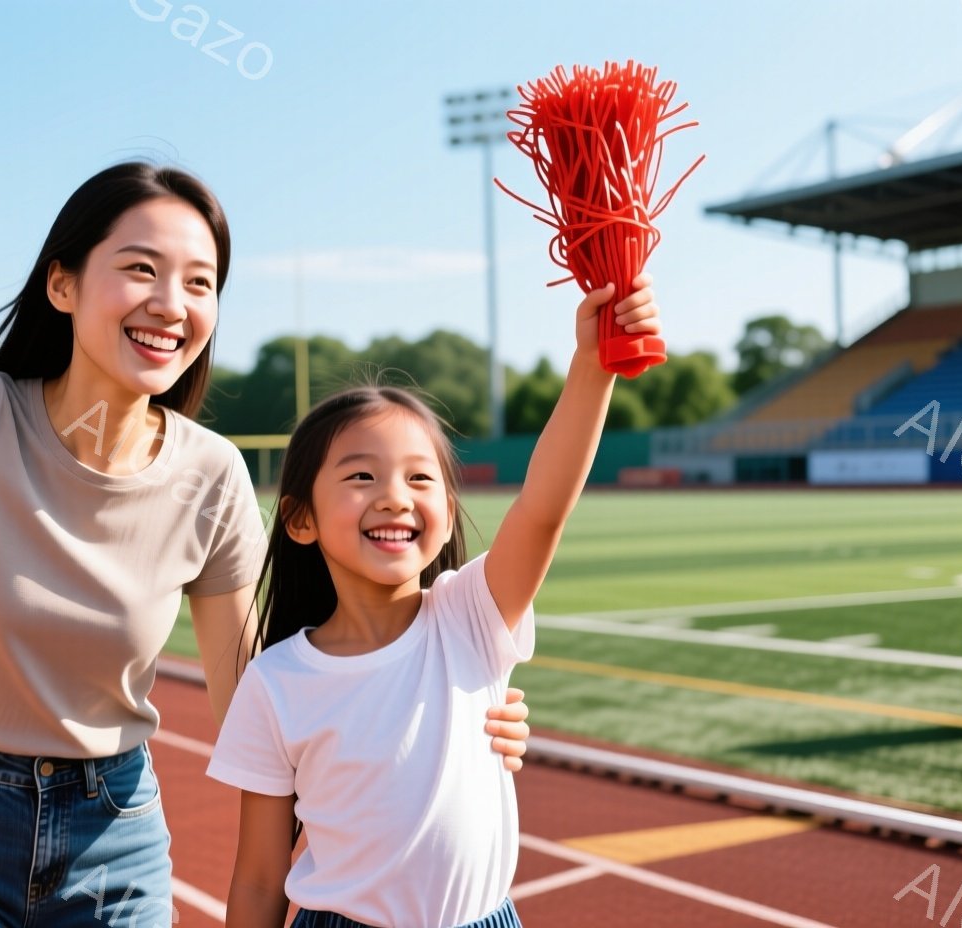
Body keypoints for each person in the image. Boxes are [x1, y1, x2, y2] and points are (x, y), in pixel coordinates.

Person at [0, 52, 533, 927]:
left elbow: (259, 698)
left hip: (113, 838)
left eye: (200, 282)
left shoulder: (210, 476)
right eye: (140, 268)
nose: (172, 302)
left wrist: (456, 710)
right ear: (62, 283)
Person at [209, 278, 660, 928]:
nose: (394, 495)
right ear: (301, 519)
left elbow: (542, 509)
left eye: (420, 478)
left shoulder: (471, 616)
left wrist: (593, 366)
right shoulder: (276, 682)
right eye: (362, 475)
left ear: (448, 517)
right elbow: (257, 878)